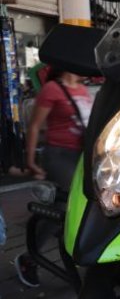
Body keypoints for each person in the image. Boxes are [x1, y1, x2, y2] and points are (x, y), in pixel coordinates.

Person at [15, 67, 94, 287]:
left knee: (67, 208)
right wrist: (30, 161)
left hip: (80, 157)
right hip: (59, 155)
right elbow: (35, 127)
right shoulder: (51, 89)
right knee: (66, 205)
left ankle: (48, 253)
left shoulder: (82, 90)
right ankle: (30, 259)